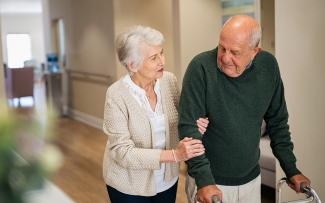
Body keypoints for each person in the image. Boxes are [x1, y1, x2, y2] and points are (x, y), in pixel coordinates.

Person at [178, 15, 311, 203]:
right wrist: (204, 180)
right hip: (210, 182)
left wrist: (291, 169)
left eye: (235, 52)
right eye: (222, 48)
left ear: (255, 52)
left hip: (251, 180)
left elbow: (278, 123)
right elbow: (189, 128)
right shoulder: (200, 68)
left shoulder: (268, 66)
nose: (225, 57)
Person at [102, 25, 209, 203]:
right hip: (129, 185)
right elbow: (122, 152)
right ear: (132, 65)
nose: (162, 61)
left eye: (162, 53)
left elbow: (179, 123)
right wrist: (174, 155)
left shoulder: (168, 81)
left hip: (167, 180)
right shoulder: (116, 94)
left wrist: (194, 126)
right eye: (154, 57)